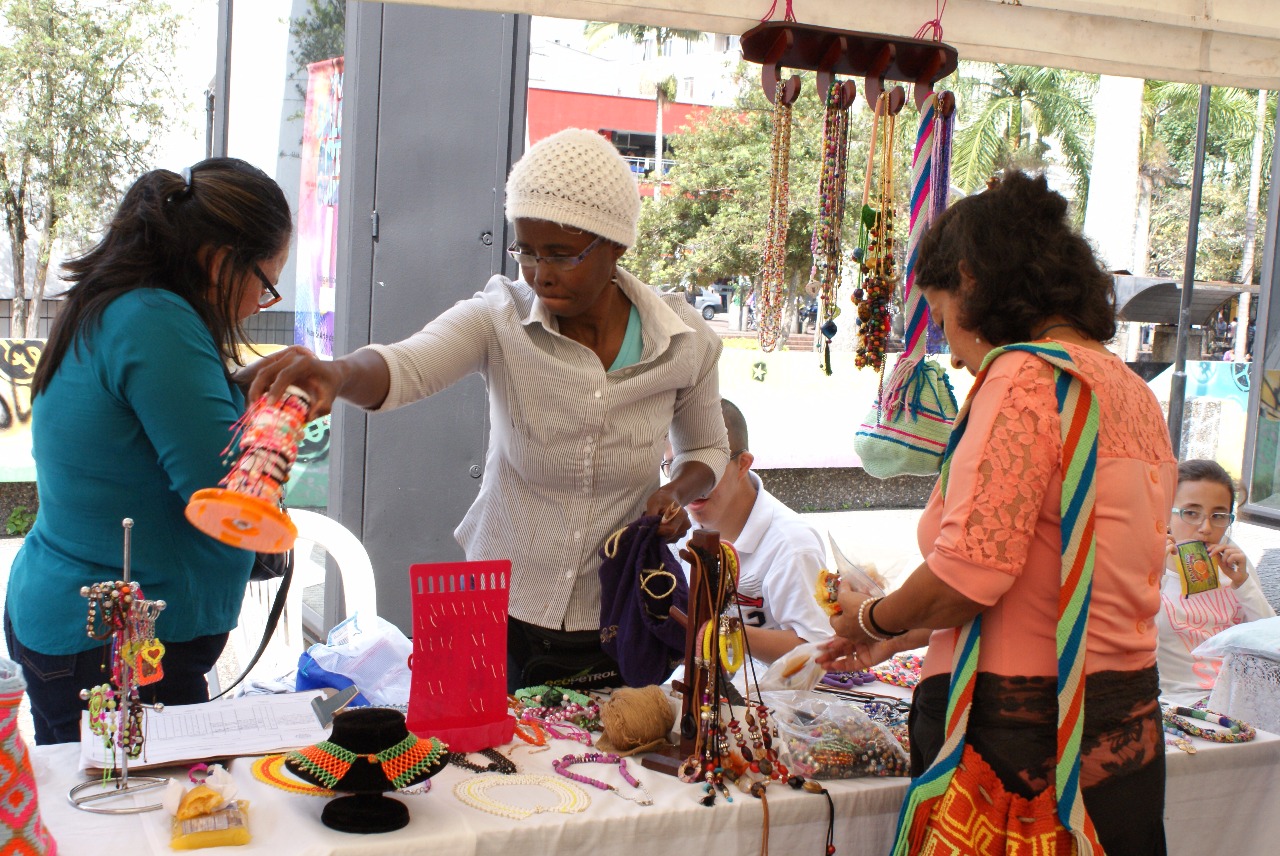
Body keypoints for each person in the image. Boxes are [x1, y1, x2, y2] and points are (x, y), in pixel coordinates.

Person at [243, 128, 729, 691]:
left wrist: (677, 489)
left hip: (618, 619)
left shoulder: (684, 340)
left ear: (616, 245)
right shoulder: (500, 317)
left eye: (562, 254)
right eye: (527, 249)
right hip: (496, 611)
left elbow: (707, 448)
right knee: (483, 766)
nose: (541, 272)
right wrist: (337, 373)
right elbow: (410, 364)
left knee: (608, 769)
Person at [819, 171, 1175, 853]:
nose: (950, 347)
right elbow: (1052, 580)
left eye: (943, 312)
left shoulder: (1024, 377)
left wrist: (871, 617)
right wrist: (900, 638)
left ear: (972, 281)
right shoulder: (1129, 390)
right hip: (1123, 730)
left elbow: (965, 579)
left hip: (1019, 749)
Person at [4, 158, 292, 744]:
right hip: (114, 647)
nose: (257, 306)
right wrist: (286, 411)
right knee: (138, 825)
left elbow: (140, 430)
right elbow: (234, 496)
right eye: (264, 284)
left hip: (87, 630)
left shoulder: (120, 303)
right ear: (218, 262)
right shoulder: (157, 318)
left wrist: (235, 392)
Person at [673, 399, 831, 665]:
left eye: (707, 470)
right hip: (687, 686)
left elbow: (816, 649)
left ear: (743, 464)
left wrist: (719, 632)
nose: (690, 485)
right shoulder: (673, 533)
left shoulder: (792, 544)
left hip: (767, 700)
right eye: (674, 467)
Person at [1156, 460, 1274, 706]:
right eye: (1191, 513)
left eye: (1218, 516)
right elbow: (1135, 646)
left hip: (1240, 696)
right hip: (1178, 701)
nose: (1206, 528)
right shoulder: (1145, 565)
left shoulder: (1235, 563)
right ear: (1165, 512)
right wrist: (1156, 576)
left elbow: (1270, 641)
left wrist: (1242, 583)